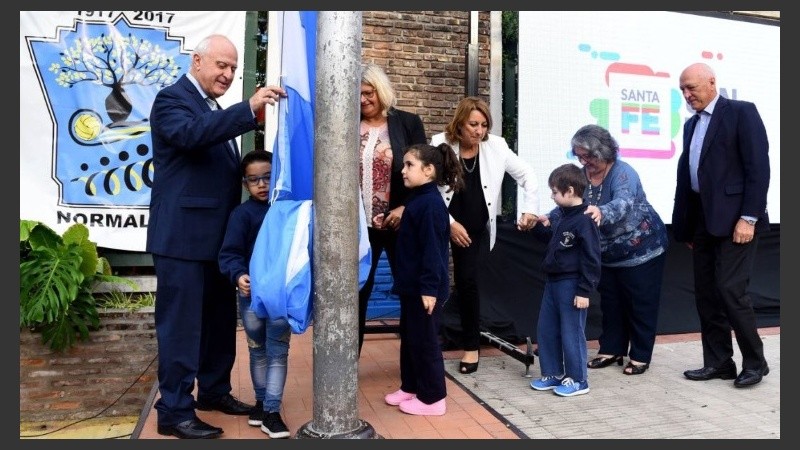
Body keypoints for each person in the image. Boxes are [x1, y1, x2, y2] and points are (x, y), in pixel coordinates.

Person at [147, 34, 287, 439]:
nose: (227, 74)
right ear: (197, 61)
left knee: (219, 324)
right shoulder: (172, 100)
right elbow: (191, 135)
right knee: (182, 330)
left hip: (215, 244)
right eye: (221, 65)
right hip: (181, 242)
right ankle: (174, 411)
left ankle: (213, 391)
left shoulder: (212, 108)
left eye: (233, 68)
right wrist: (249, 108)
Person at [674, 62, 771, 388]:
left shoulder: (742, 112)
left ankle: (755, 363)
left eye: (691, 87)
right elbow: (690, 176)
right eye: (682, 90)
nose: (687, 95)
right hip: (703, 220)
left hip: (737, 220)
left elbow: (758, 168)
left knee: (731, 290)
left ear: (712, 83)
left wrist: (749, 217)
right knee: (706, 294)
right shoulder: (691, 124)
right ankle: (719, 362)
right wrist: (687, 226)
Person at [430, 96, 539, 374]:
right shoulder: (440, 143)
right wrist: (450, 223)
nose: (479, 131)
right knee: (433, 279)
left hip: (475, 229)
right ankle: (428, 343)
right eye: (473, 125)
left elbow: (527, 174)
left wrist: (530, 209)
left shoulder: (496, 146)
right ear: (460, 123)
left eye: (483, 125)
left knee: (467, 282)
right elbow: (430, 189)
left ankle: (471, 346)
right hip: (443, 222)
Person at [566, 125, 669, 376]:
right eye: (579, 156)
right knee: (611, 303)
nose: (583, 161)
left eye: (588, 156)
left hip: (642, 250)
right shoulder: (582, 175)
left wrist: (601, 211)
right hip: (607, 253)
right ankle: (611, 349)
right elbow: (570, 203)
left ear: (603, 152)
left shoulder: (624, 173)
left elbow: (623, 203)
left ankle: (640, 355)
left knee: (640, 304)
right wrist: (548, 218)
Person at [383, 142, 464, 416]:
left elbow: (433, 251)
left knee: (425, 341)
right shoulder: (417, 200)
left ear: (429, 170)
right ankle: (410, 386)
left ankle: (433, 398)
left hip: (424, 290)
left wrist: (429, 289)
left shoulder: (430, 204)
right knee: (410, 338)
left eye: (410, 165)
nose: (403, 171)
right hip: (412, 286)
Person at [218, 150, 291, 439]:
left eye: (267, 177)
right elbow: (229, 253)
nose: (261, 184)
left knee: (277, 352)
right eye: (253, 179)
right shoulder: (241, 214)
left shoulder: (287, 211)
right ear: (245, 183)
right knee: (258, 350)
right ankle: (261, 405)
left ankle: (271, 412)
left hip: (280, 295)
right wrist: (238, 275)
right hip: (250, 296)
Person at [357, 63, 427, 356]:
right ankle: (346, 366)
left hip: (400, 224)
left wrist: (404, 208)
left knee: (410, 291)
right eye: (358, 94)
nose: (363, 100)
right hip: (360, 228)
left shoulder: (407, 123)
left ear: (381, 90)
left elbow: (425, 174)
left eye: (368, 92)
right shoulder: (348, 124)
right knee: (357, 293)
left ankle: (414, 363)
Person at [528, 163, 601, 397]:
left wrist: (584, 290)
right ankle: (552, 373)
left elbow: (592, 257)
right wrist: (536, 227)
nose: (552, 196)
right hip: (553, 282)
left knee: (571, 332)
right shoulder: (560, 215)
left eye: (555, 192)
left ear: (570, 191)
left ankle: (578, 379)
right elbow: (552, 241)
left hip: (572, 284)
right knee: (547, 328)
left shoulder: (585, 220)